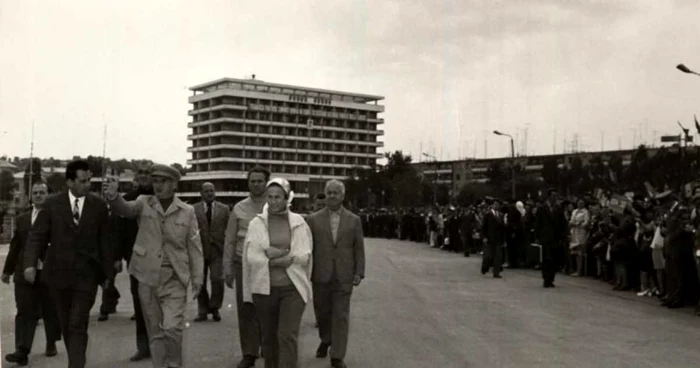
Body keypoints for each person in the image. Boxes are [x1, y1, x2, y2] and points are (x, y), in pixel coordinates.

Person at [104, 163, 203, 368]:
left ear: (174, 184)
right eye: (156, 181)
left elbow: (195, 247)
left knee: (172, 327)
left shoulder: (187, 211)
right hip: (147, 277)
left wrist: (198, 278)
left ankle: (174, 364)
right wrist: (113, 196)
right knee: (155, 332)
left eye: (164, 182)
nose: (158, 186)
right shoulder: (143, 202)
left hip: (175, 277)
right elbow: (125, 209)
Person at [24, 160, 115, 368]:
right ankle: (76, 359)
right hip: (58, 276)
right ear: (70, 182)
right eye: (83, 181)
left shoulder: (99, 206)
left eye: (89, 180)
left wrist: (108, 276)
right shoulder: (52, 204)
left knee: (77, 322)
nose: (88, 185)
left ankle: (76, 365)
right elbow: (37, 235)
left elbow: (105, 242)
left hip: (87, 276)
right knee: (66, 323)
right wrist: (29, 263)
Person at [242, 178, 313, 368]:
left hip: (292, 289)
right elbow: (252, 257)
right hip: (264, 290)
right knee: (269, 338)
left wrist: (278, 254)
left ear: (287, 198)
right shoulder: (256, 224)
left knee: (287, 336)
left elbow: (303, 255)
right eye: (270, 197)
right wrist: (276, 259)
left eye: (278, 197)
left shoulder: (299, 223)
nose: (273, 201)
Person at [306, 179, 365, 368]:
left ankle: (337, 356)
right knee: (322, 314)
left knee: (341, 315)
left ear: (343, 196)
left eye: (335, 193)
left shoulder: (354, 220)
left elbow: (358, 248)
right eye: (329, 193)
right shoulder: (313, 219)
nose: (331, 196)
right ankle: (326, 339)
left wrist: (359, 271)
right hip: (320, 274)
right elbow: (307, 248)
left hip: (344, 274)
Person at [2, 182, 61, 366]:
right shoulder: (22, 219)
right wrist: (7, 270)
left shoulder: (57, 218)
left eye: (42, 192)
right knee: (24, 310)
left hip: (48, 273)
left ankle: (51, 342)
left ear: (48, 195)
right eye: (35, 193)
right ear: (30, 196)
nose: (38, 195)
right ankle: (22, 350)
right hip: (24, 273)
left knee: (50, 309)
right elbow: (15, 246)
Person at [223, 166, 269, 368]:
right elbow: (230, 240)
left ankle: (268, 348)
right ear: (248, 183)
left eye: (260, 181)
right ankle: (249, 353)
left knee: (268, 308)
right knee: (246, 309)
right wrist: (227, 268)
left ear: (267, 182)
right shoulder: (239, 208)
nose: (256, 184)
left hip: (269, 265)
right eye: (252, 181)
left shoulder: (275, 204)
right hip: (244, 264)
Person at [116, 165, 154, 361]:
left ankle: (159, 345)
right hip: (135, 259)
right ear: (137, 177)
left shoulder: (161, 196)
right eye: (142, 173)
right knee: (139, 304)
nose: (146, 177)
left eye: (149, 173)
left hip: (159, 260)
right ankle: (143, 346)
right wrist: (118, 257)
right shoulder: (128, 199)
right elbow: (119, 229)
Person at [193, 182, 229, 322]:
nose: (210, 193)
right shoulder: (193, 209)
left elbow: (228, 228)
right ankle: (202, 310)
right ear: (201, 193)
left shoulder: (224, 209)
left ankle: (215, 308)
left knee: (217, 279)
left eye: (212, 190)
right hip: (199, 250)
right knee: (199, 282)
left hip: (217, 250)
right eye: (206, 191)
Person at [535, 189, 568, 288]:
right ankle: (546, 279)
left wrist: (565, 234)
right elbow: (537, 223)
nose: (555, 197)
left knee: (554, 259)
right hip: (545, 237)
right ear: (549, 196)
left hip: (556, 237)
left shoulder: (558, 208)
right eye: (553, 195)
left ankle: (551, 278)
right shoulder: (542, 208)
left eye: (556, 195)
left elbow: (563, 223)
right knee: (546, 258)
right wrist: (537, 236)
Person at [481, 197, 505, 278]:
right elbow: (484, 226)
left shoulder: (501, 215)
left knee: (498, 256)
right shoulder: (488, 214)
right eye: (495, 204)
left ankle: (496, 272)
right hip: (489, 238)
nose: (496, 206)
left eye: (497, 205)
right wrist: (484, 236)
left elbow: (503, 228)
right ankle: (485, 267)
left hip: (498, 238)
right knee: (488, 256)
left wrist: (503, 239)